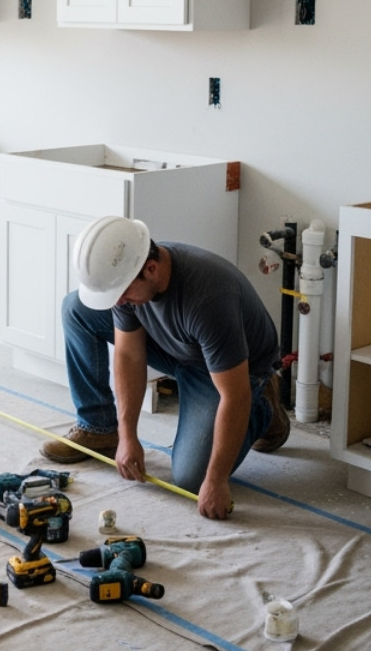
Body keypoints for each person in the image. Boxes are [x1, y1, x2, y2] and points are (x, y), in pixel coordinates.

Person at [40, 215, 289, 519]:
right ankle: (99, 428)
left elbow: (233, 396)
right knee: (76, 308)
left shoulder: (208, 299)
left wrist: (217, 480)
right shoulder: (132, 281)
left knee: (193, 480)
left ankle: (264, 406)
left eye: (122, 294)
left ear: (152, 269)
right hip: (179, 348)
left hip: (235, 371)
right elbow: (129, 355)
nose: (118, 302)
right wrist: (127, 434)